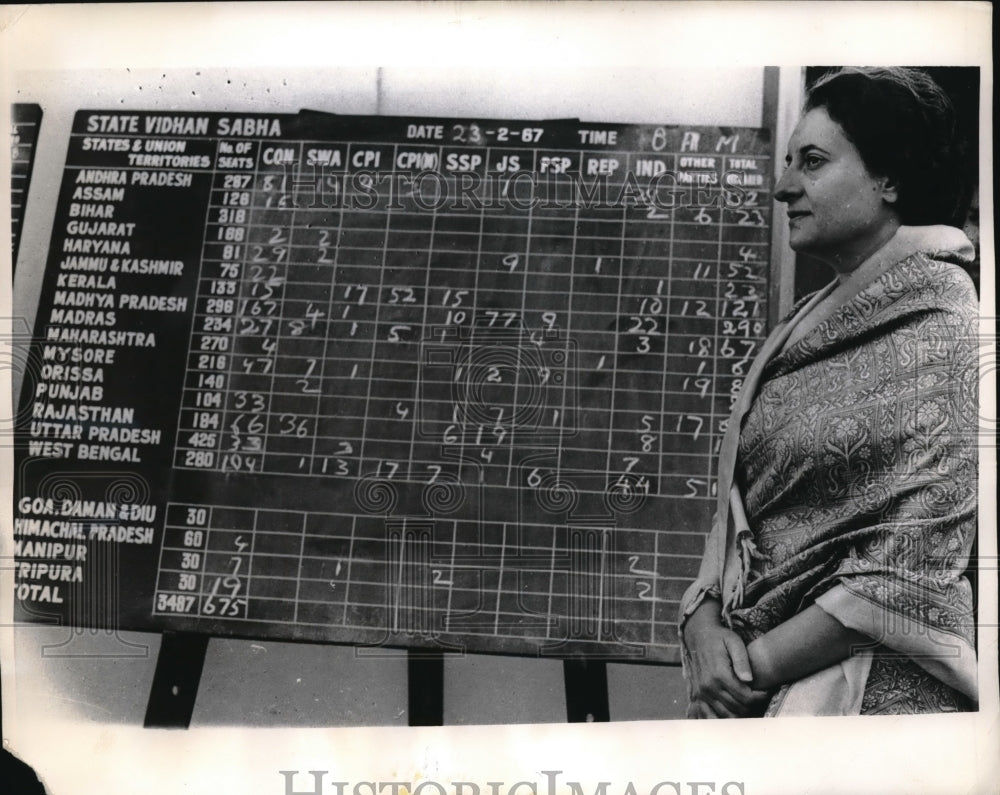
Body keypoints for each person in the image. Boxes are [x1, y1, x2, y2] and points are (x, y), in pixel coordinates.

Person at [678, 66, 980, 717]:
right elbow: (741, 513)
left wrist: (745, 669)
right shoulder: (804, 321)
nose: (784, 186)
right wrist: (703, 622)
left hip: (873, 705)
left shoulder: (947, 318)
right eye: (788, 162)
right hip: (759, 684)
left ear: (890, 178)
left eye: (811, 162)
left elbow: (909, 563)